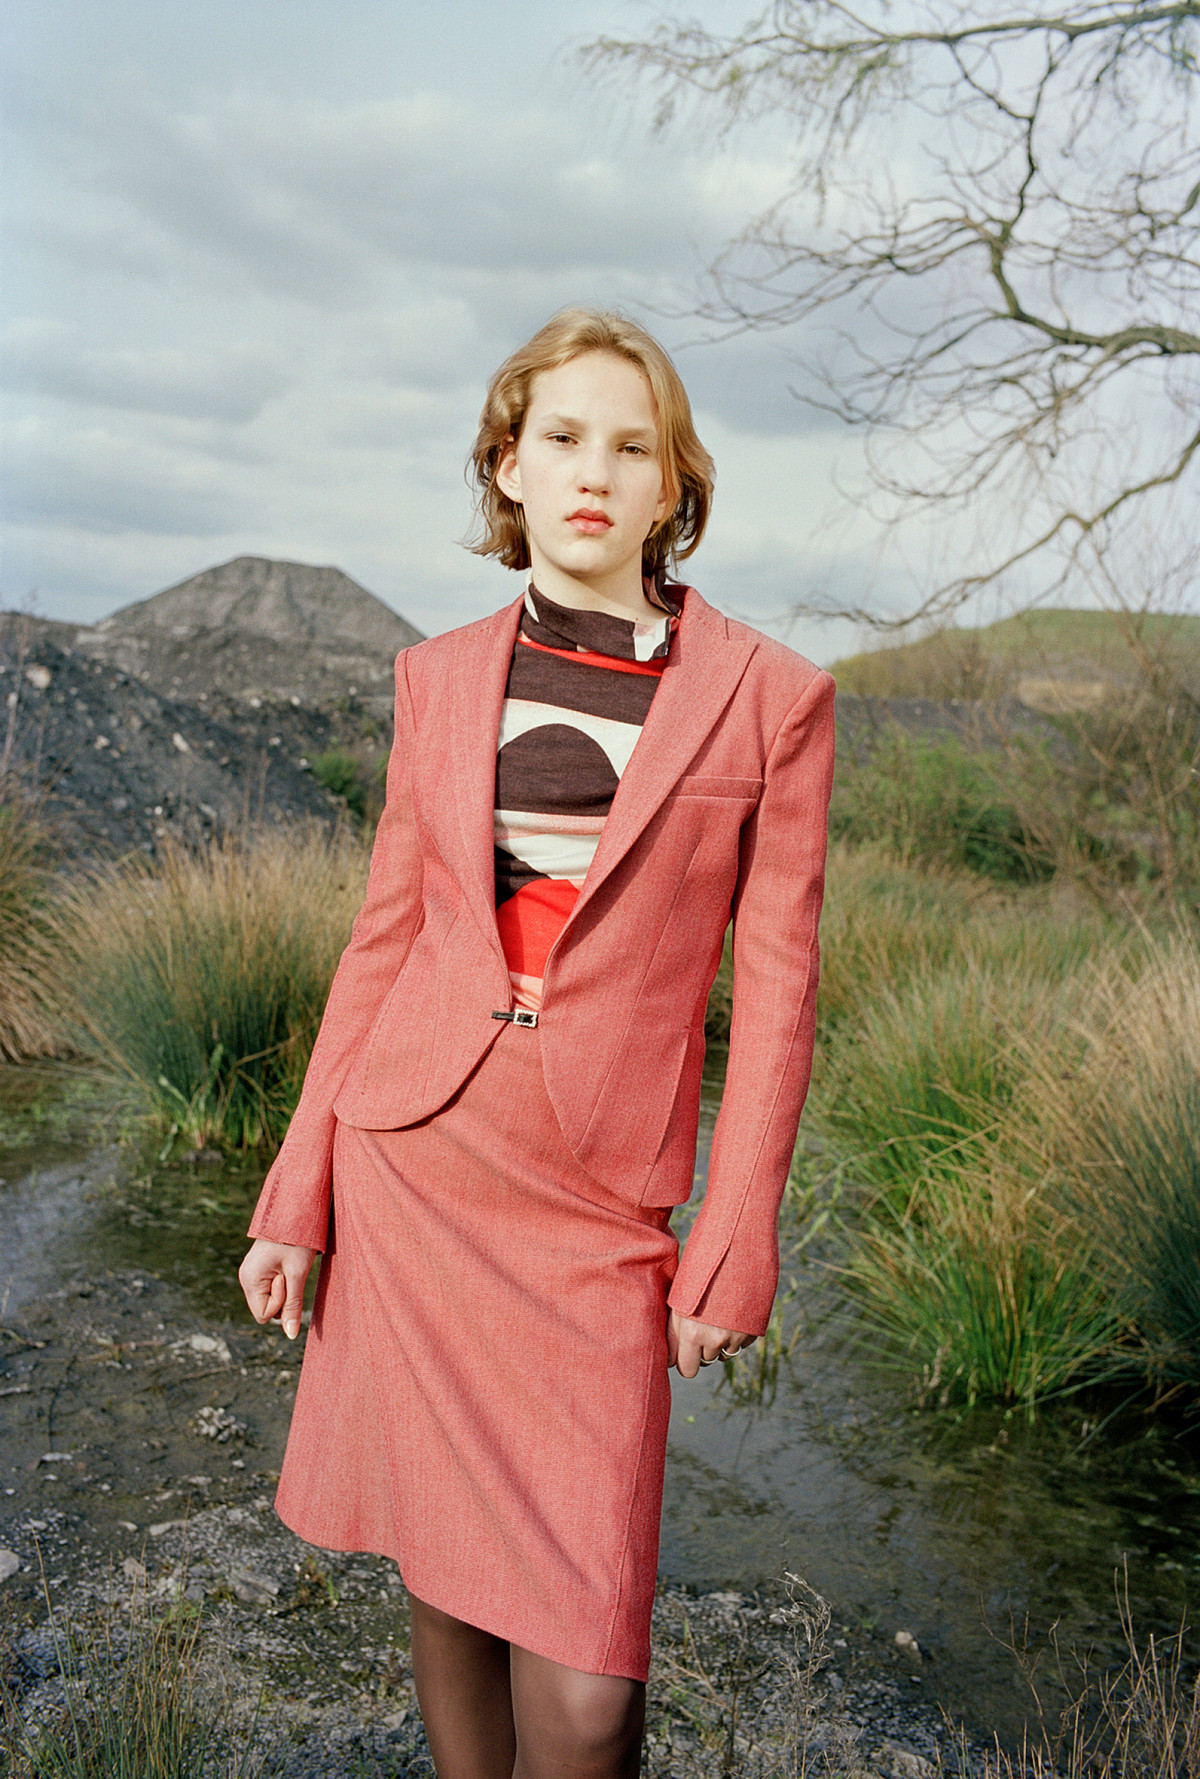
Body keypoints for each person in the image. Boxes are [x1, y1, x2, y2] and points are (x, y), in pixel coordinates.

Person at [238, 308, 835, 1779]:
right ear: (506, 469)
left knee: (585, 1689)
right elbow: (383, 943)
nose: (595, 472)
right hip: (418, 1171)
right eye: (561, 438)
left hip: (598, 1217)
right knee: (446, 1570)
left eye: (632, 447)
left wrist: (735, 1234)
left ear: (671, 483)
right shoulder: (435, 678)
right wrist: (294, 1192)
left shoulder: (772, 698)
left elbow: (777, 990)